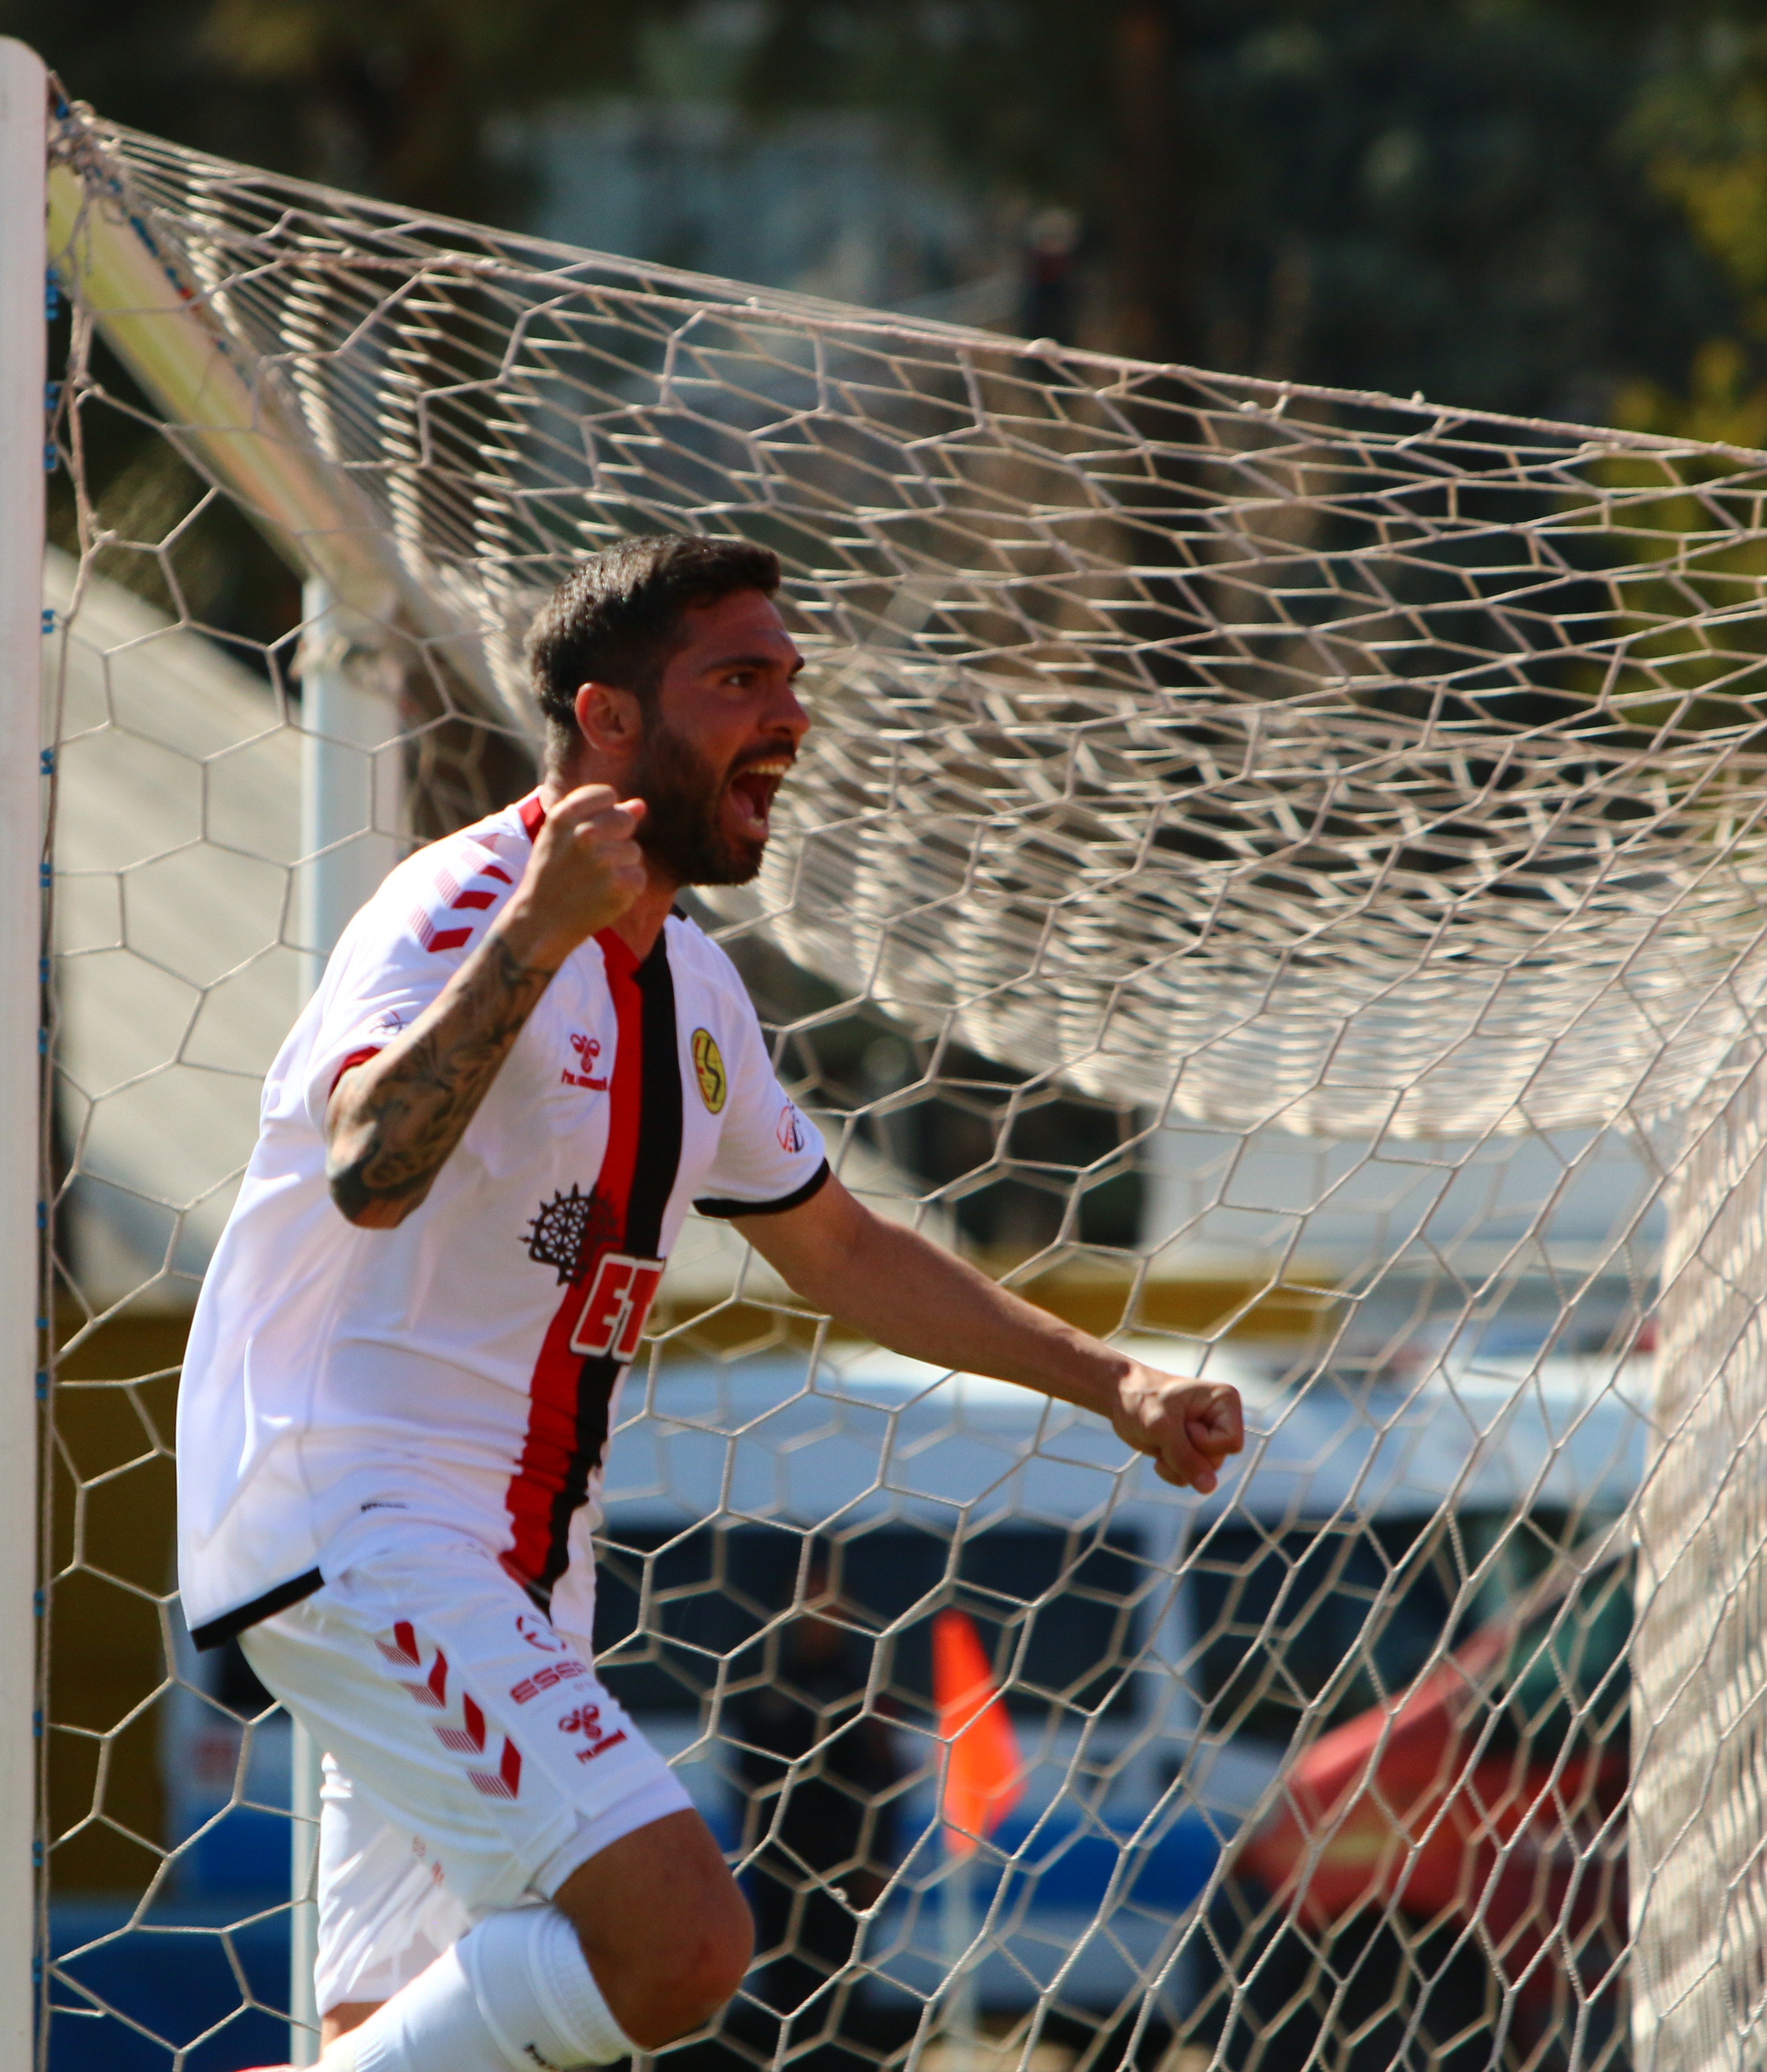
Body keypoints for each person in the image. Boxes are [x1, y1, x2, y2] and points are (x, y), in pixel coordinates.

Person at [176, 533, 1245, 2072]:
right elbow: (366, 1167)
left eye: (793, 682)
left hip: (524, 1564)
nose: (790, 719)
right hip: (363, 1519)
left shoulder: (695, 990)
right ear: (607, 720)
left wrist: (1114, 1385)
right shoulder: (460, 898)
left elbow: (842, 1250)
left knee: (398, 2029)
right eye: (741, 680)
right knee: (679, 1945)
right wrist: (533, 937)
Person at [725, 1545, 902, 2072]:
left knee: (840, 2009)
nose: (815, 1611)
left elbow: (886, 1785)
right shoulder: (764, 1689)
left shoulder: (862, 1692)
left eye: (826, 1599)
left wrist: (876, 1864)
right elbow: (744, 1783)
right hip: (777, 1878)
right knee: (783, 2004)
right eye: (804, 1598)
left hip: (841, 1882)